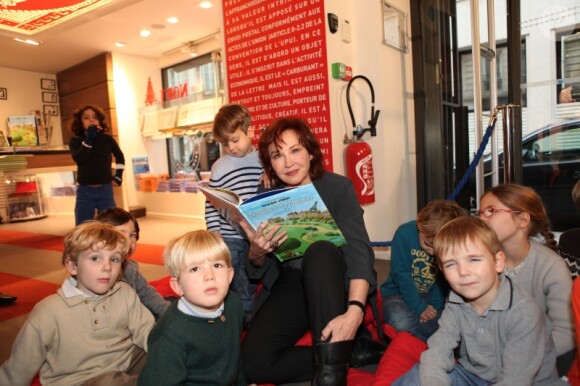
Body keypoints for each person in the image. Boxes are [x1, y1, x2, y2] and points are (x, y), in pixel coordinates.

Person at [239, 117, 377, 386]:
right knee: (253, 364)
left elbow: (360, 254)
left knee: (321, 250)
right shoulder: (266, 193)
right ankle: (346, 353)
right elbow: (255, 268)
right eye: (278, 155)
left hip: (330, 279)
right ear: (270, 163)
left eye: (295, 150)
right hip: (290, 283)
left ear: (311, 152)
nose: (288, 163)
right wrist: (256, 250)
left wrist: (355, 311)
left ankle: (330, 377)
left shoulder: (338, 188)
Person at [393, 216, 565, 386]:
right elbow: (438, 351)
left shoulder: (525, 312)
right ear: (441, 270)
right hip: (473, 376)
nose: (463, 272)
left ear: (498, 262)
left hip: (525, 381)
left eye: (474, 259)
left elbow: (516, 380)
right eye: (451, 264)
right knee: (418, 375)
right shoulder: (455, 302)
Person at [0, 221, 154, 386]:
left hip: (125, 364)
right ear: (72, 265)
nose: (107, 267)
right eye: (95, 258)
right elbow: (19, 367)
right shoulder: (48, 311)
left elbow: (149, 333)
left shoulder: (125, 292)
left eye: (114, 259)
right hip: (80, 381)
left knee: (168, 350)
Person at [479, 183, 576, 376]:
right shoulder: (481, 262)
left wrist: (520, 355)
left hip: (543, 355)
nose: (481, 218)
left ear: (522, 220)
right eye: (480, 213)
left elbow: (566, 333)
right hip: (494, 355)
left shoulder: (550, 266)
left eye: (490, 211)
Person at [137, 230, 245, 386]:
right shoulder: (170, 335)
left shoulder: (233, 304)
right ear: (178, 286)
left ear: (229, 276)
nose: (209, 275)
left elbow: (233, 357)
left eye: (216, 265)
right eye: (195, 269)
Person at [204, 103, 263, 325]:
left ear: (250, 132)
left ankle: (250, 315)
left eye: (235, 140)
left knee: (254, 278)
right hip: (231, 235)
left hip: (258, 234)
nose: (231, 147)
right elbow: (211, 204)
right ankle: (244, 320)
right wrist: (215, 232)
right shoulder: (219, 167)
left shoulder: (264, 161)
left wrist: (269, 175)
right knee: (236, 278)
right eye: (224, 143)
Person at [380, 199, 467, 341]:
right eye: (428, 244)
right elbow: (401, 276)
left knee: (461, 317)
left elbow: (443, 281)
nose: (433, 252)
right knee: (399, 321)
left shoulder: (449, 242)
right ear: (420, 225)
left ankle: (412, 337)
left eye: (437, 248)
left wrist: (434, 305)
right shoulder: (404, 234)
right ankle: (436, 336)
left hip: (433, 296)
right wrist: (420, 308)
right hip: (398, 294)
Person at [96, 207, 171, 318]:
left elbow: (146, 293)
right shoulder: (97, 273)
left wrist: (170, 314)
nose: (129, 240)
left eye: (132, 235)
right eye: (121, 234)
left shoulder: (130, 268)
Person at [69, 104, 125, 226]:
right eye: (86, 117)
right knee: (82, 226)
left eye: (95, 117)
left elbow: (120, 157)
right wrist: (89, 137)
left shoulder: (107, 139)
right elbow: (80, 158)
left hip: (106, 189)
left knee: (110, 224)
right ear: (80, 122)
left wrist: (118, 175)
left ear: (99, 120)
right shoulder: (75, 141)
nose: (91, 119)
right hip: (84, 191)